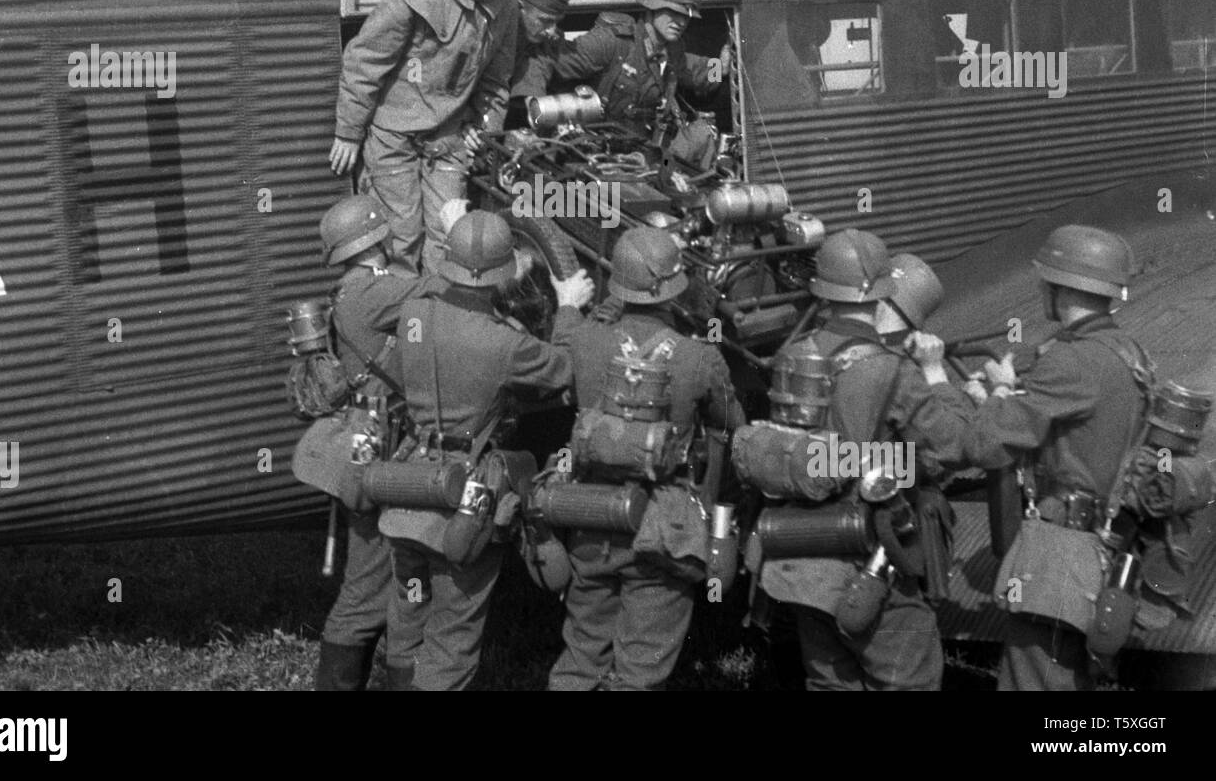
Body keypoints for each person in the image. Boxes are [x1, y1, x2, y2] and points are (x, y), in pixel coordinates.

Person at [908, 224, 1210, 691]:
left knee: (1036, 682)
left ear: (1060, 287)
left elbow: (977, 446)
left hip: (1060, 560)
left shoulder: (1072, 363)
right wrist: (1007, 386)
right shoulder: (1126, 351)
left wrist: (939, 379)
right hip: (1102, 545)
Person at [381, 210, 594, 690]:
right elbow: (566, 369)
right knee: (453, 637)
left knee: (409, 614)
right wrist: (568, 307)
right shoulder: (503, 345)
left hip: (408, 486)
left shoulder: (415, 313)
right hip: (465, 501)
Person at [758, 229, 974, 691]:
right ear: (885, 291)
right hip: (874, 559)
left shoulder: (793, 355)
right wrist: (937, 377)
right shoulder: (892, 370)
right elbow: (953, 447)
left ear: (822, 289)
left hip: (806, 557)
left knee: (831, 684)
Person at [548, 226, 745, 690]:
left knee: (582, 649)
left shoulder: (584, 341)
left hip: (593, 515)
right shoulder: (699, 357)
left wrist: (566, 306)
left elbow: (559, 359)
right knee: (641, 668)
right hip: (665, 526)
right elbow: (732, 424)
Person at [311, 194, 448, 691]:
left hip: (374, 444)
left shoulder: (351, 291)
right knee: (367, 591)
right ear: (376, 239)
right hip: (381, 451)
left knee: (401, 583)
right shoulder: (372, 295)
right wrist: (454, 233)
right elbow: (439, 285)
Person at [329, 0, 519, 273]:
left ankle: (436, 320)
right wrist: (349, 131)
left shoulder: (505, 9)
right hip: (393, 137)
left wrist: (484, 127)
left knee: (450, 235)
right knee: (401, 238)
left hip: (447, 139)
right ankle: (406, 320)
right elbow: (364, 61)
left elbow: (496, 81)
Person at [547, 0, 729, 140]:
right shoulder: (612, 43)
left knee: (701, 138)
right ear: (652, 7)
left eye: (686, 16)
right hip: (591, 146)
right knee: (538, 174)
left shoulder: (672, 53)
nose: (681, 22)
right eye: (673, 12)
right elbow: (552, 64)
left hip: (639, 151)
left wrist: (721, 66)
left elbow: (697, 72)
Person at [508, 0, 572, 103]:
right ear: (520, 5)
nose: (552, 31)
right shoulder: (493, 31)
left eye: (556, 21)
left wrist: (532, 102)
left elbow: (538, 66)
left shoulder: (549, 37)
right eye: (546, 21)